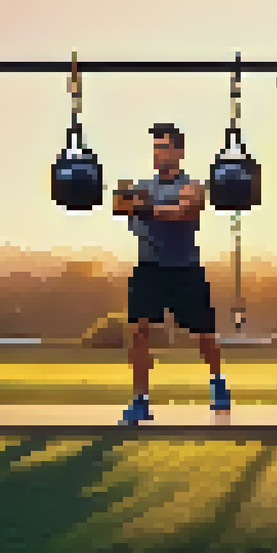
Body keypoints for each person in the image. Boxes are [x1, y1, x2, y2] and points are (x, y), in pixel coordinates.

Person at [112, 122, 231, 426]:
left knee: (204, 335)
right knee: (138, 330)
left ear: (179, 152)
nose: (159, 153)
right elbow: (120, 204)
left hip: (184, 269)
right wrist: (145, 207)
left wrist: (147, 209)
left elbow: (185, 211)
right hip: (149, 268)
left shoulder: (192, 186)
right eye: (155, 147)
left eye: (164, 147)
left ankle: (218, 382)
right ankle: (140, 400)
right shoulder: (142, 186)